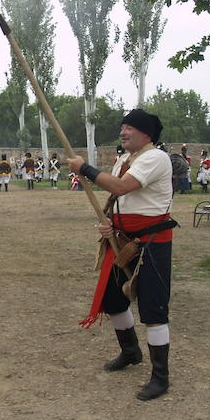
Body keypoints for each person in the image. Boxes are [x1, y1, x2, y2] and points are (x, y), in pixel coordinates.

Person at [67, 109, 175, 401]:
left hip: (151, 242)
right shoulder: (123, 160)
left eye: (129, 128)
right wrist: (111, 224)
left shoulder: (155, 158)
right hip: (122, 240)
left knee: (153, 309)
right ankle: (130, 352)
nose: (123, 132)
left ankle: (160, 377)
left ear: (146, 134)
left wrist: (85, 168)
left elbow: (121, 186)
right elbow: (119, 199)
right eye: (122, 127)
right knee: (113, 301)